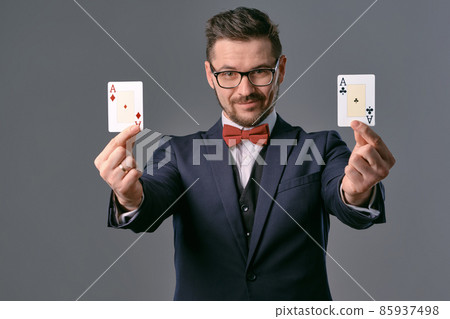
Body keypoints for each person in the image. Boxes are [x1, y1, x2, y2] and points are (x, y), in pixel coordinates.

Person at [94, 7, 395, 300]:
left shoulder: (322, 147)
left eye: (260, 71)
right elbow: (150, 205)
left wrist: (356, 194)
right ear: (210, 75)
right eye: (228, 74)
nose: (244, 90)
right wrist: (130, 198)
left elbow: (347, 202)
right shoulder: (176, 152)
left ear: (281, 70)